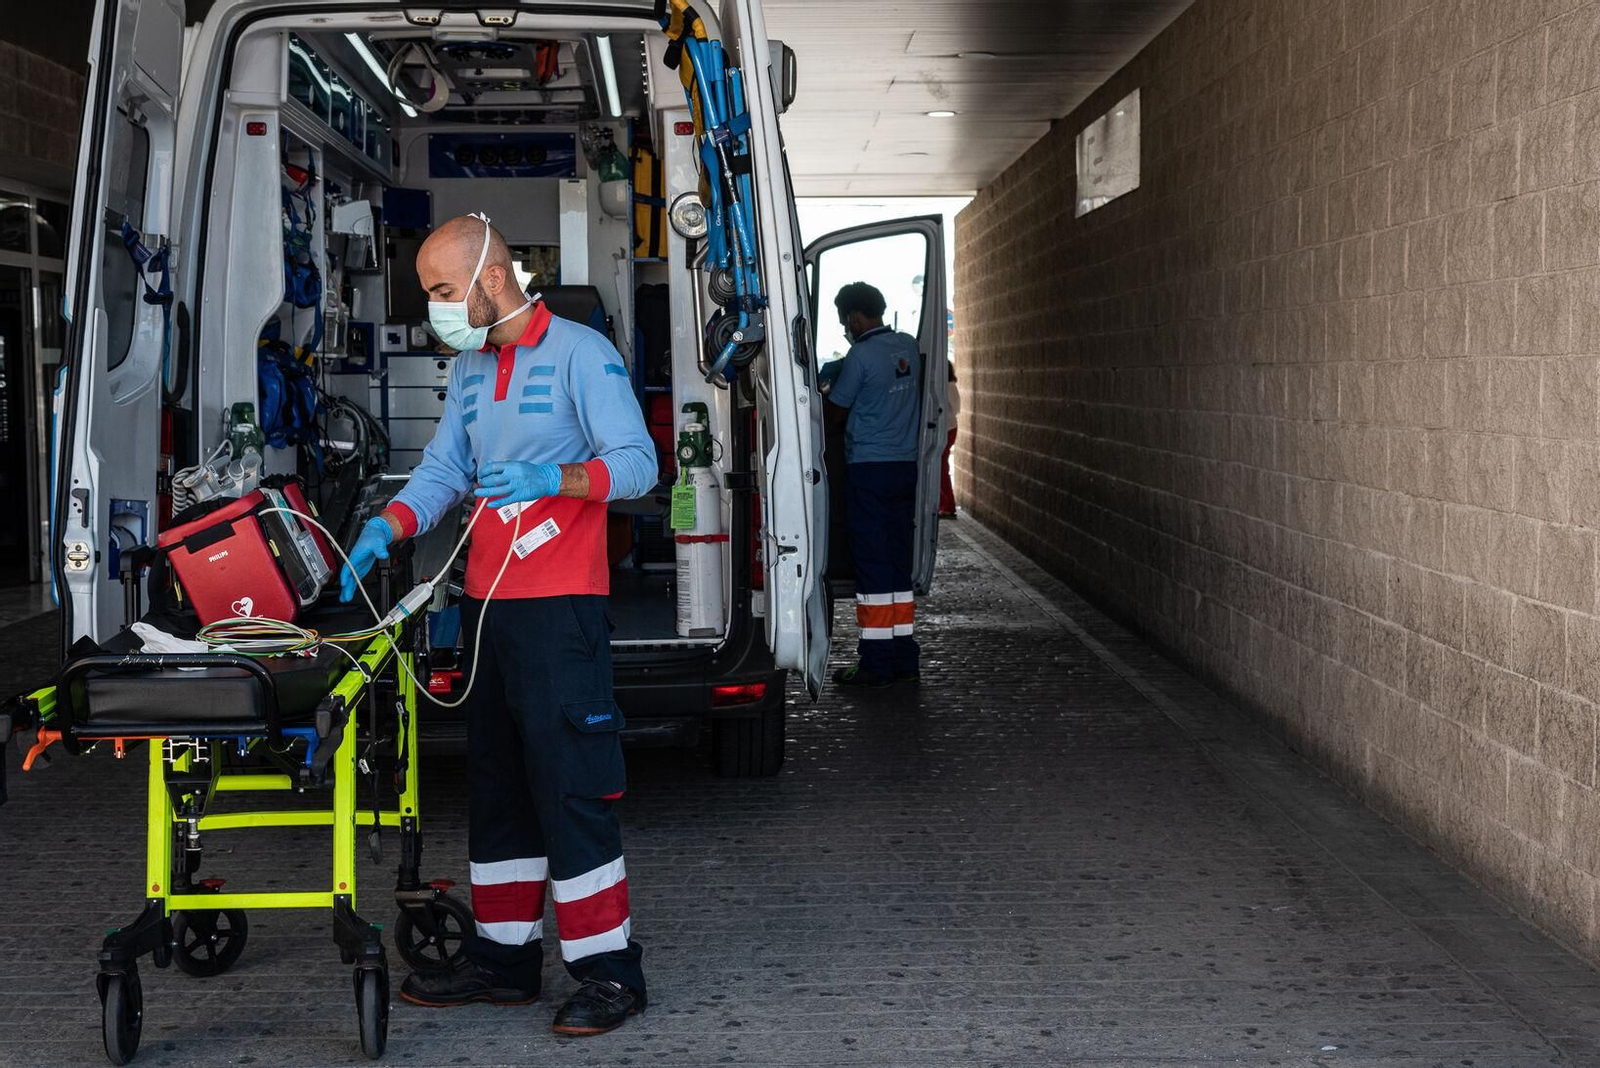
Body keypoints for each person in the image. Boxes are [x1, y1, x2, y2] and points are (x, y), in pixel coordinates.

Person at [340, 213, 656, 1036]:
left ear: (489, 279)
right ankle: (505, 962)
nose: (437, 309)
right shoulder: (473, 368)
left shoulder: (584, 352)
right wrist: (394, 525)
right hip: (485, 612)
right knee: (500, 794)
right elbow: (447, 467)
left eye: (443, 291)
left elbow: (638, 463)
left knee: (573, 791)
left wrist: (555, 475)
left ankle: (610, 974)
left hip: (561, 615)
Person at [825, 281, 922, 689]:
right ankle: (904, 657)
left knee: (872, 565)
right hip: (905, 468)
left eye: (844, 321)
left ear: (853, 318)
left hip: (868, 469)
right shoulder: (909, 346)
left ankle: (876, 662)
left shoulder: (860, 354)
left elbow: (834, 410)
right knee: (898, 563)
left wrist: (830, 378)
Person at [939, 364, 959, 517]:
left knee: (941, 468)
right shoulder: (945, 385)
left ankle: (948, 505)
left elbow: (955, 408)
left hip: (948, 428)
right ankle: (944, 504)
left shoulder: (949, 386)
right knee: (940, 468)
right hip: (945, 429)